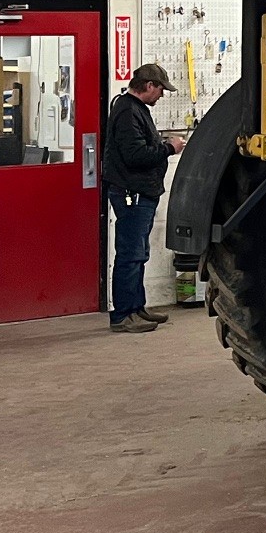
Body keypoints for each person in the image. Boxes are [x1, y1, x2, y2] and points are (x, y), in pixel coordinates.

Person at [103, 63, 187, 334]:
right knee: (130, 254)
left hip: (140, 193)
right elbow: (135, 156)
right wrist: (168, 148)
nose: (162, 95)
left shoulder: (133, 109)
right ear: (149, 85)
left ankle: (137, 308)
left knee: (138, 253)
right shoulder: (128, 111)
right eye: (161, 89)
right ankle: (123, 316)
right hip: (133, 194)